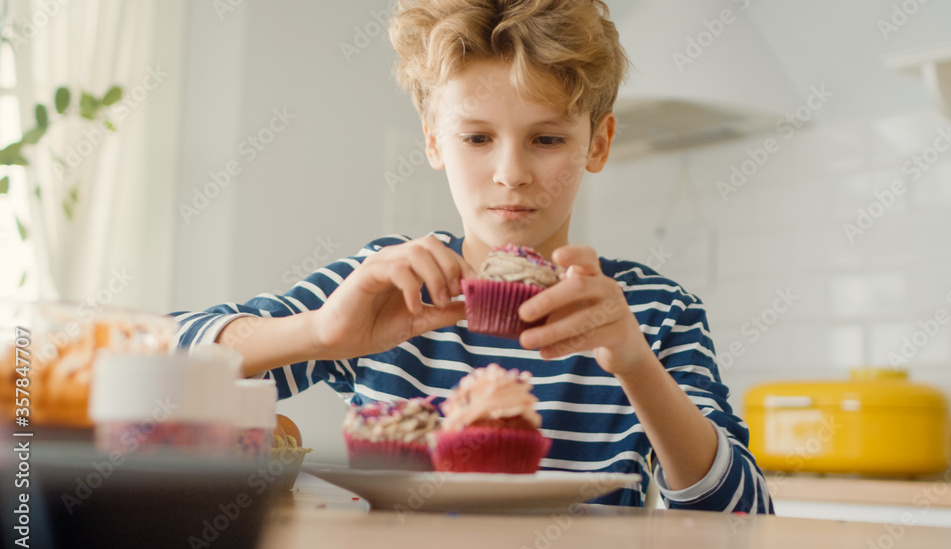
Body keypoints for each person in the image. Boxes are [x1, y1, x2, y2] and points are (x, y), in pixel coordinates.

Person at [173, 0, 772, 512]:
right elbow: (156, 364)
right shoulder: (387, 281)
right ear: (434, 141)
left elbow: (746, 514)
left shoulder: (654, 311)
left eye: (547, 138)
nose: (511, 174)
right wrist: (322, 333)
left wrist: (637, 365)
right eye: (477, 137)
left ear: (600, 142)